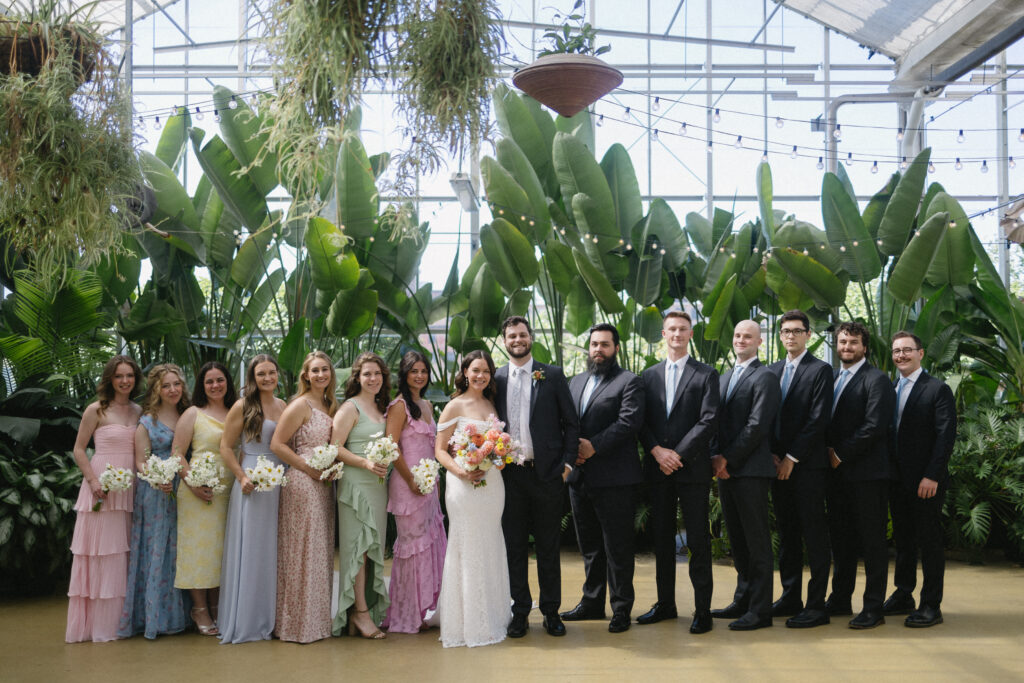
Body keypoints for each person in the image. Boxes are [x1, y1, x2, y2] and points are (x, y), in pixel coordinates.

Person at [495, 316, 579, 638]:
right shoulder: (497, 378)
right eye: (511, 335)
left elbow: (571, 424)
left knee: (548, 547)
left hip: (546, 476)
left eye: (522, 334)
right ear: (505, 341)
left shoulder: (552, 375)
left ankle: (551, 611)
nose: (517, 339)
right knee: (514, 548)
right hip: (510, 477)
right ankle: (520, 612)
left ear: (531, 338)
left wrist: (568, 465)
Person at [637, 311, 718, 634]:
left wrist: (678, 454)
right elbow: (640, 420)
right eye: (671, 329)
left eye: (683, 329)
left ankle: (703, 610)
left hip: (692, 469)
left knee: (698, 540)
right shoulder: (648, 375)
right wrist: (658, 451)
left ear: (691, 334)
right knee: (662, 540)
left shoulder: (706, 374)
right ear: (663, 333)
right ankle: (665, 604)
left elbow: (709, 419)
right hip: (658, 470)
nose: (677, 334)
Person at [561, 324, 644, 634]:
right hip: (580, 477)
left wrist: (592, 446)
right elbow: (566, 422)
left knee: (618, 547)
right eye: (594, 344)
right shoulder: (575, 381)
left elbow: (629, 422)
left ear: (616, 349)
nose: (598, 349)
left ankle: (621, 608)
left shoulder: (629, 381)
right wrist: (573, 452)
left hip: (615, 478)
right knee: (590, 546)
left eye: (605, 345)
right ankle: (592, 601)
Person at [434, 350, 512, 648]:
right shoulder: (454, 406)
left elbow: (499, 445)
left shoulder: (491, 404)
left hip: (492, 484)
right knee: (466, 545)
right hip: (462, 484)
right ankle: (466, 622)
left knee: (490, 542)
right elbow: (440, 450)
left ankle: (493, 614)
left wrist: (499, 455)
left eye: (486, 371)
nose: (481, 376)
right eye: (475, 370)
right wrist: (461, 471)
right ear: (465, 371)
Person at [66, 355, 143, 643]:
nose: (125, 381)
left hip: (130, 488)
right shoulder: (95, 410)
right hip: (101, 486)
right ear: (109, 379)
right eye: (119, 376)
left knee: (125, 551)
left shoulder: (138, 411)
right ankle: (101, 624)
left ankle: (125, 620)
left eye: (130, 376)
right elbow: (78, 449)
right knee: (102, 552)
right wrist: (93, 481)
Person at [709, 320, 781, 631]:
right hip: (726, 471)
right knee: (737, 540)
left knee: (756, 542)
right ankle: (743, 597)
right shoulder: (725, 376)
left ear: (759, 342)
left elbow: (757, 426)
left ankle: (761, 610)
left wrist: (727, 458)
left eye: (748, 336)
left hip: (750, 469)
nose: (741, 340)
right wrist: (715, 458)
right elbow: (713, 421)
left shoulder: (764, 377)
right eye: (737, 335)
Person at [826, 321, 895, 629]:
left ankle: (873, 608)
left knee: (872, 543)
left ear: (864, 347)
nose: (846, 347)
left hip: (867, 475)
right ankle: (840, 599)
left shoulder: (876, 379)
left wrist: (840, 454)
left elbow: (875, 426)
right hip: (838, 477)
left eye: (853, 342)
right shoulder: (834, 378)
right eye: (842, 342)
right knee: (841, 541)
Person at [883, 331, 956, 628]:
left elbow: (945, 435)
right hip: (896, 479)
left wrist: (932, 475)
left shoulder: (936, 389)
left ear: (921, 353)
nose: (901, 355)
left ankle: (931, 604)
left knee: (929, 542)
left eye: (907, 350)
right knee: (903, 540)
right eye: (897, 351)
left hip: (926, 480)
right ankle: (903, 594)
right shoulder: (890, 388)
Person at [768, 310, 833, 628]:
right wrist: (771, 455)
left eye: (797, 330)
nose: (790, 336)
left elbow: (818, 418)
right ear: (780, 336)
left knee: (814, 534)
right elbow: (764, 417)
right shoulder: (772, 370)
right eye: (785, 331)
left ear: (808, 335)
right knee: (788, 532)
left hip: (806, 466)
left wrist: (792, 458)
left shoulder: (821, 370)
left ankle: (817, 604)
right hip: (776, 465)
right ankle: (790, 596)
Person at [118, 363, 191, 639]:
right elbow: (140, 460)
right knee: (157, 550)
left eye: (177, 384)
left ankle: (182, 614)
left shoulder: (188, 414)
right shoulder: (147, 421)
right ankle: (155, 617)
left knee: (178, 549)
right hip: (156, 491)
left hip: (184, 489)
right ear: (156, 390)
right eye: (166, 385)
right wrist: (156, 477)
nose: (173, 390)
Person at [217, 355, 287, 643]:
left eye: (272, 372)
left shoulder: (283, 406)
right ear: (252, 377)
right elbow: (226, 446)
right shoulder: (243, 405)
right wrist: (241, 477)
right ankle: (247, 619)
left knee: (273, 550)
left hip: (279, 481)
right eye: (261, 374)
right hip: (252, 481)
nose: (267, 378)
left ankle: (271, 617)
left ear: (278, 375)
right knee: (253, 548)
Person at [270, 351, 337, 643]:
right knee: (302, 553)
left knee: (319, 553)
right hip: (302, 482)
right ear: (306, 375)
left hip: (325, 484)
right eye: (315, 370)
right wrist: (308, 469)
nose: (321, 374)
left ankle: (317, 623)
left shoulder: (331, 405)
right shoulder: (300, 405)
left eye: (325, 369)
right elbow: (278, 444)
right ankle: (295, 625)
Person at [171, 361, 238, 636]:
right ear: (202, 385)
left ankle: (218, 604)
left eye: (220, 380)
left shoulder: (237, 410)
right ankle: (199, 608)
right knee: (199, 550)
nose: (215, 386)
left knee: (223, 551)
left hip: (230, 491)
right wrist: (193, 483)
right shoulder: (193, 414)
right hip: (197, 493)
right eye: (209, 381)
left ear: (227, 382)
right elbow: (177, 453)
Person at [382, 351, 446, 634]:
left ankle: (425, 608)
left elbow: (433, 449)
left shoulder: (428, 405)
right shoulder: (398, 406)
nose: (419, 376)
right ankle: (407, 613)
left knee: (430, 543)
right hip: (407, 485)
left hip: (429, 486)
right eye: (413, 371)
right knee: (411, 548)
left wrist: (435, 483)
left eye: (423, 371)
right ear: (404, 374)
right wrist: (411, 481)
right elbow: (391, 447)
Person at [332, 351, 391, 639]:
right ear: (357, 377)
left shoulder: (381, 409)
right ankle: (360, 613)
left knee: (371, 551)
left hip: (378, 487)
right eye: (367, 374)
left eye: (377, 373)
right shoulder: (350, 408)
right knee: (358, 551)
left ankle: (365, 609)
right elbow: (335, 448)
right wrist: (365, 462)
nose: (373, 378)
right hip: (356, 486)